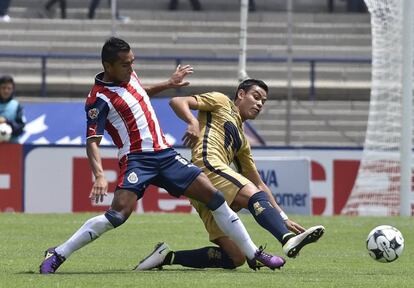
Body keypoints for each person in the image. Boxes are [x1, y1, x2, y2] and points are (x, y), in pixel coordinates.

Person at [39, 37, 285, 274]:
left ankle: (254, 254)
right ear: (108, 66)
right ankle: (59, 253)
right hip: (137, 159)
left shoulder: (128, 75)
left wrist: (169, 84)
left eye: (132, 62)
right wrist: (100, 175)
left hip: (165, 155)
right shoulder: (98, 100)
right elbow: (92, 141)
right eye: (125, 64)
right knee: (117, 216)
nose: (131, 67)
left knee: (215, 197)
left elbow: (139, 93)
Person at [135, 79, 325, 271]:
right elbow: (177, 101)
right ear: (241, 95)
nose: (259, 104)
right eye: (256, 97)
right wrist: (192, 121)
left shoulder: (242, 141)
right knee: (249, 193)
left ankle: (166, 257)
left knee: (236, 257)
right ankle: (287, 239)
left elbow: (258, 183)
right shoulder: (221, 101)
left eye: (263, 102)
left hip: (203, 189)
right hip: (206, 165)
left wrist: (282, 217)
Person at [0, 75, 25, 143]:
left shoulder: (16, 106)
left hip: (12, 148)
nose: (6, 91)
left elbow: (21, 129)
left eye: (9, 88)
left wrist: (7, 122)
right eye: (3, 88)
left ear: (12, 89)